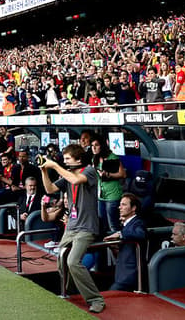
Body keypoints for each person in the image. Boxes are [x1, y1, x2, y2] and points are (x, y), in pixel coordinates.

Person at [40, 144, 105, 313]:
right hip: (72, 226)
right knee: (61, 260)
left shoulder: (89, 171)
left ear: (79, 159)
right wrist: (44, 170)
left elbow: (76, 180)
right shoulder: (68, 175)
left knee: (73, 261)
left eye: (68, 158)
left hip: (86, 227)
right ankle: (67, 291)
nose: (65, 161)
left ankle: (96, 299)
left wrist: (54, 165)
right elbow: (50, 189)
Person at [103, 193, 147, 291]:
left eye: (124, 205)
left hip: (130, 275)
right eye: (120, 204)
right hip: (122, 274)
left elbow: (141, 234)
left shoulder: (138, 222)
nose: (119, 207)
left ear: (133, 208)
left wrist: (120, 234)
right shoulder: (126, 225)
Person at [91, 134, 125, 235]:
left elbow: (122, 174)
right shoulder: (95, 159)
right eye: (92, 145)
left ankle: (118, 248)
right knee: (102, 224)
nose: (94, 148)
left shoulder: (112, 157)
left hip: (113, 195)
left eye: (96, 145)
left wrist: (108, 175)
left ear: (102, 145)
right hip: (100, 195)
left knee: (113, 224)